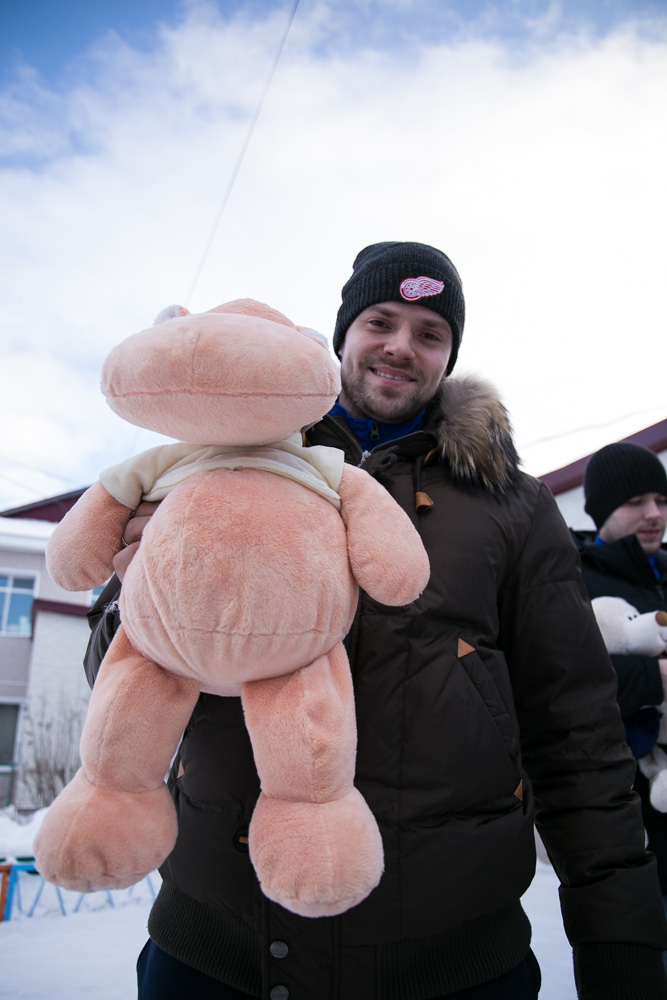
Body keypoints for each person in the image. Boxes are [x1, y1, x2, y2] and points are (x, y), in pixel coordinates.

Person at [85, 242, 667, 999]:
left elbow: (577, 736)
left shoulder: (512, 507)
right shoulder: (220, 459)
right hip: (216, 943)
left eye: (430, 333)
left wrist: (618, 945)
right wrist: (142, 594)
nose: (400, 346)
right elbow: (112, 671)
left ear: (449, 354)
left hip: (450, 961)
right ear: (340, 335)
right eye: (380, 321)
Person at [572, 442, 667, 906]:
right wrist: (657, 681)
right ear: (602, 508)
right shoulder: (574, 579)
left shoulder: (663, 571)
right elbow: (567, 681)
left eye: (662, 500)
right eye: (636, 503)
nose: (653, 513)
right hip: (628, 814)